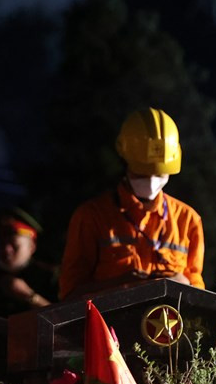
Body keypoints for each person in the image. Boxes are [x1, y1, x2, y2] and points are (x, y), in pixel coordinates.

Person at [60, 108, 204, 299]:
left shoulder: (187, 220)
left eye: (159, 173)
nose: (151, 180)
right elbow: (70, 295)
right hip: (109, 327)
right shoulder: (91, 216)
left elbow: (199, 295)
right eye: (143, 173)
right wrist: (122, 287)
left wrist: (184, 285)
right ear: (125, 160)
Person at [0, 207, 57, 317]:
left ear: (31, 247)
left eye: (14, 245)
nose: (6, 250)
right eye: (2, 243)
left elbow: (66, 322)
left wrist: (30, 296)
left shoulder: (50, 277)